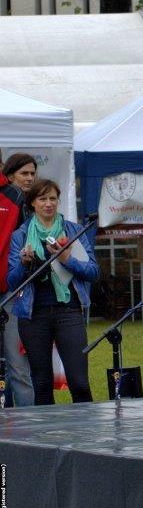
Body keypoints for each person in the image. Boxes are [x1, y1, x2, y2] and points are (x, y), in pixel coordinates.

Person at [7, 179, 98, 405]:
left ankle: (86, 425)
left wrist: (68, 260)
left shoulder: (74, 230)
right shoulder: (20, 235)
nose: (48, 204)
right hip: (33, 315)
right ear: (32, 203)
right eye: (42, 199)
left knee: (79, 382)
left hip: (69, 311)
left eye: (52, 198)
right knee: (41, 384)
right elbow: (12, 282)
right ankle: (46, 428)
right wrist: (24, 264)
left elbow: (93, 271)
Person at [0, 154, 36, 406]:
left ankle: (28, 425)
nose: (30, 178)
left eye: (32, 173)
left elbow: (27, 242)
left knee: (17, 367)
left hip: (10, 291)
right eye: (25, 173)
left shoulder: (14, 196)